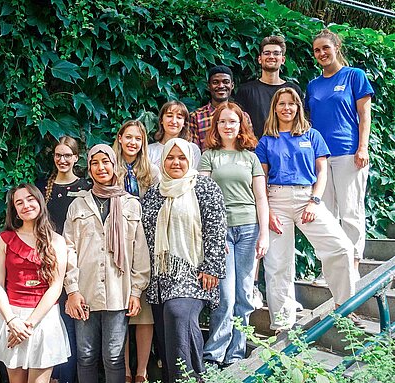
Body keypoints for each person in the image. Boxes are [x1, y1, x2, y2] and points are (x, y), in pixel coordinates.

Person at [256, 87, 355, 331]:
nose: (287, 108)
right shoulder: (267, 140)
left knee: (341, 247)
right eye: (282, 103)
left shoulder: (312, 136)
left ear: (299, 107)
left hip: (307, 198)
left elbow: (322, 172)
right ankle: (282, 322)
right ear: (275, 108)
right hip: (276, 200)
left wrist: (315, 201)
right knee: (278, 264)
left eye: (292, 103)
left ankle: (344, 306)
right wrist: (267, 212)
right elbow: (261, 179)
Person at [141, 138, 227, 382]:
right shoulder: (153, 194)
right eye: (170, 157)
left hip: (194, 273)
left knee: (178, 314)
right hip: (160, 277)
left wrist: (212, 267)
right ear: (162, 160)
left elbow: (216, 228)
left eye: (181, 157)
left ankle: (191, 378)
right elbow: (144, 235)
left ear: (190, 160)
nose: (176, 162)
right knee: (166, 335)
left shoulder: (204, 187)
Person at [63, 144, 150, 383]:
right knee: (86, 355)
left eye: (106, 162)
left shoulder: (130, 204)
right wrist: (72, 290)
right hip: (84, 292)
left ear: (114, 166)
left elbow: (139, 251)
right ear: (89, 169)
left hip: (118, 291)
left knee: (113, 357)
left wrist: (135, 292)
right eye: (95, 163)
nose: (101, 167)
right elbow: (68, 249)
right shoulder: (78, 206)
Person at [199, 102, 269, 366]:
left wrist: (264, 235)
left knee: (244, 294)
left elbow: (261, 197)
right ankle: (214, 354)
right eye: (222, 122)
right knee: (225, 297)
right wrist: (212, 236)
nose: (227, 126)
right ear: (215, 126)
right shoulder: (209, 156)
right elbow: (203, 198)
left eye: (232, 121)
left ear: (241, 125)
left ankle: (236, 354)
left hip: (249, 229)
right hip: (221, 232)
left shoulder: (250, 157)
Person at [305, 29, 374, 278]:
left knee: (351, 212)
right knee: (327, 215)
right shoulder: (313, 85)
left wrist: (362, 147)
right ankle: (331, 268)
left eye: (326, 47)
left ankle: (352, 266)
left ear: (336, 48)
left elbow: (365, 115)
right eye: (317, 50)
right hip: (321, 157)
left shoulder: (354, 76)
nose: (321, 53)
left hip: (348, 153)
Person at [0, 184, 70, 383]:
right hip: (12, 317)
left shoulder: (57, 241)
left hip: (44, 319)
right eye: (19, 202)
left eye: (30, 199)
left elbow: (56, 286)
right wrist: (12, 321)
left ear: (39, 201)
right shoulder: (5, 240)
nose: (26, 205)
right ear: (14, 209)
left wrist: (29, 324)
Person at [36, 136, 91, 383]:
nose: (62, 160)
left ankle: (67, 378)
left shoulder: (86, 186)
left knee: (71, 327)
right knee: (49, 323)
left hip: (75, 264)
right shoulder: (42, 187)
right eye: (58, 155)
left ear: (76, 158)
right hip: (46, 263)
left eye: (67, 155)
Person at [112, 120, 159, 382]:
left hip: (145, 243)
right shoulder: (110, 166)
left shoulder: (151, 171)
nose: (132, 143)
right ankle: (125, 371)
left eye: (138, 139)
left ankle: (141, 370)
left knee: (143, 311)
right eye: (128, 137)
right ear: (119, 138)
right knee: (120, 309)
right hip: (117, 244)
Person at [235, 35, 303, 139]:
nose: (271, 56)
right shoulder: (246, 91)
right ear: (259, 59)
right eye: (267, 53)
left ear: (283, 59)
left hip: (289, 148)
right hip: (255, 150)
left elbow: (301, 121)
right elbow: (238, 123)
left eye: (276, 53)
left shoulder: (293, 90)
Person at [189, 65, 252, 151]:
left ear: (232, 85)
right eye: (215, 82)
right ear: (208, 86)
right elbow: (192, 152)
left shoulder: (243, 116)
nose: (221, 86)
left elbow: (249, 147)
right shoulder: (196, 117)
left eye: (226, 82)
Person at [148, 100, 201, 169]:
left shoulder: (192, 149)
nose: (173, 121)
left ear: (184, 123)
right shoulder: (149, 150)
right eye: (169, 116)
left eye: (179, 117)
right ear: (161, 120)